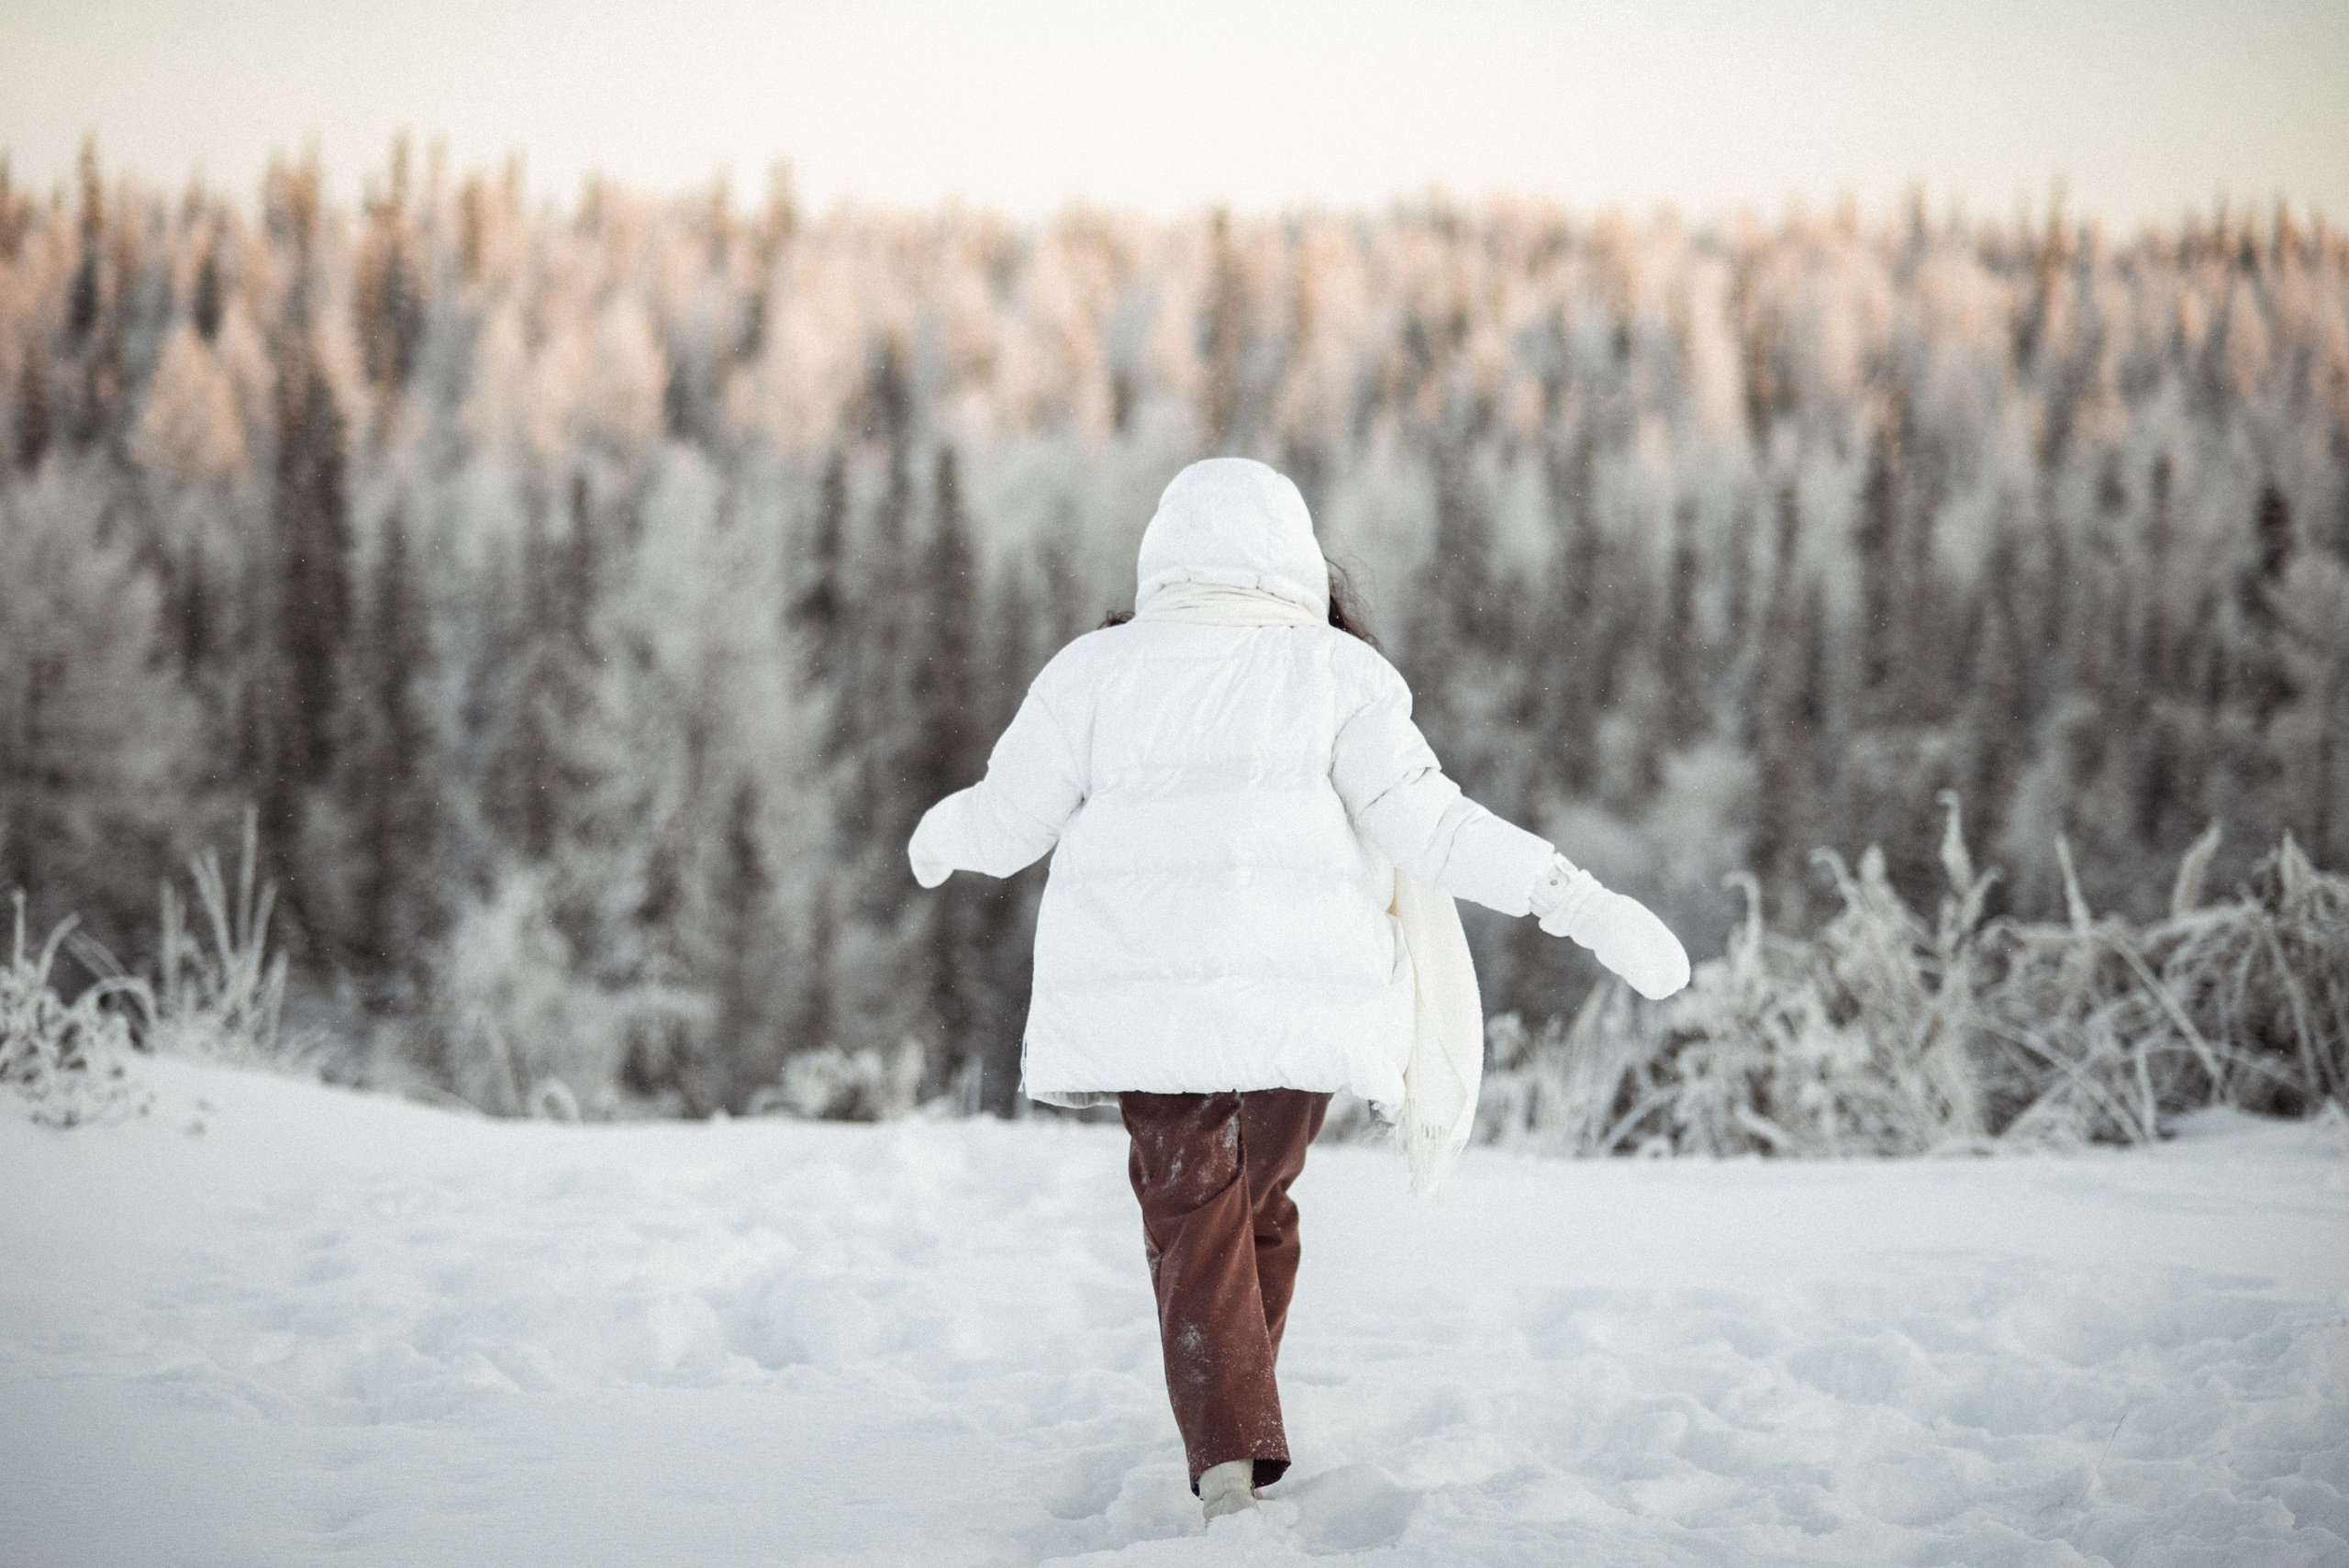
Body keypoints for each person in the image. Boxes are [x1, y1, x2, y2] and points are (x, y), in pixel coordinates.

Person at [906, 458, 1689, 1526]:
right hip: (1303, 1015)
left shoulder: (1092, 672)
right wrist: (1578, 899)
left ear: (1164, 556)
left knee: (1197, 1213)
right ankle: (1237, 1434)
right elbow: (1438, 827)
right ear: (1297, 560)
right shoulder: (1338, 675)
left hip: (1154, 1012)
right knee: (1254, 1204)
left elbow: (1007, 821)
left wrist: (940, 837)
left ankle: (1230, 1450)